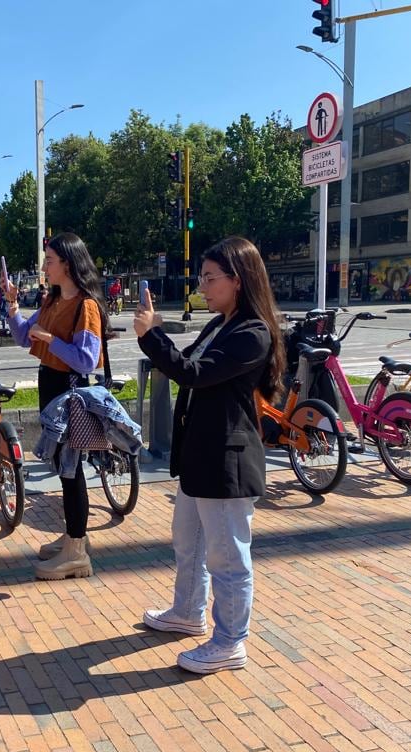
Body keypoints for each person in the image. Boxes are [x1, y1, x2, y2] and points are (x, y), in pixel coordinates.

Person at [134, 236, 285, 675]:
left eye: (210, 277)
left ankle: (230, 641)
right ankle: (187, 611)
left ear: (237, 280)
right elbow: (187, 365)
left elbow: (194, 374)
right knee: (190, 543)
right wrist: (157, 338)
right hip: (201, 457)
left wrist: (152, 335)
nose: (202, 284)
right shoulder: (221, 323)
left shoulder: (252, 332)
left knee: (227, 558)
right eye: (202, 276)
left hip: (227, 461)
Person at [4, 232, 107, 580]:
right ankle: (73, 537)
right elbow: (22, 337)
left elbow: (86, 360)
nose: (44, 266)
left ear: (67, 263)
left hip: (70, 391)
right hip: (52, 388)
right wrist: (13, 307)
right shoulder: (52, 300)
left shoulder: (85, 306)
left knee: (71, 469)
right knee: (64, 468)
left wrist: (51, 339)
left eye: (49, 260)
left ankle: (77, 552)